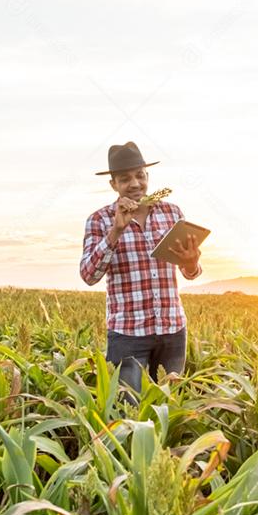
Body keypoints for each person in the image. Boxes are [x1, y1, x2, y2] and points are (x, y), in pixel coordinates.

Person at [79, 141, 202, 398]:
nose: (135, 184)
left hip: (172, 330)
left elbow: (190, 272)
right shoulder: (100, 220)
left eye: (140, 175)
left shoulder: (172, 212)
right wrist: (116, 231)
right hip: (128, 334)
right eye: (125, 179)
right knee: (128, 409)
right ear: (113, 184)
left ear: (147, 177)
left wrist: (191, 264)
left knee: (169, 405)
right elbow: (89, 275)